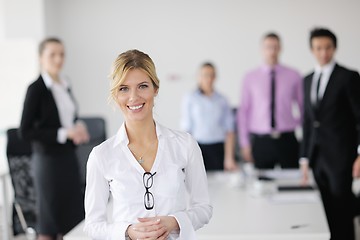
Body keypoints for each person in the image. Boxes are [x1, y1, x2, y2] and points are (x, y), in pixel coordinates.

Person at [84, 49, 212, 240]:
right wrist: (127, 232)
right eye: (124, 88)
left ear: (155, 88)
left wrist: (175, 222)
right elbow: (93, 226)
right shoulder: (101, 155)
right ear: (115, 95)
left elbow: (203, 209)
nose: (134, 97)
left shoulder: (185, 145)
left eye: (142, 86)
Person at [19, 38, 90, 240]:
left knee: (72, 219)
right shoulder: (36, 89)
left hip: (68, 158)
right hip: (48, 162)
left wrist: (78, 125)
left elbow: (68, 117)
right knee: (49, 222)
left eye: (62, 54)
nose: (58, 59)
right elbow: (25, 131)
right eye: (52, 54)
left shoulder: (65, 83)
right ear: (41, 58)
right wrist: (63, 133)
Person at [300, 28, 360, 240]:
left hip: (342, 156)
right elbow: (308, 121)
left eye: (327, 48)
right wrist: (304, 159)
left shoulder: (348, 77)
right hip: (316, 157)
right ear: (312, 50)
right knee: (323, 209)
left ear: (334, 48)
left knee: (341, 209)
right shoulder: (307, 79)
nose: (323, 52)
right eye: (318, 48)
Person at [238, 32, 303, 169]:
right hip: (261, 141)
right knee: (261, 186)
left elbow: (303, 107)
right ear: (262, 49)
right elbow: (243, 111)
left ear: (280, 48)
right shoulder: (250, 78)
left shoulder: (293, 75)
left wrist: (293, 121)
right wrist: (245, 143)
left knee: (290, 183)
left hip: (287, 139)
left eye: (275, 47)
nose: (272, 51)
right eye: (268, 47)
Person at [181, 62, 238, 171]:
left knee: (218, 184)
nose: (209, 78)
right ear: (198, 77)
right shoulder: (190, 99)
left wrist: (229, 157)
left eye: (212, 75)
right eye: (205, 75)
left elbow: (230, 130)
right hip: (198, 148)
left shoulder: (222, 100)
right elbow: (187, 130)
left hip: (218, 148)